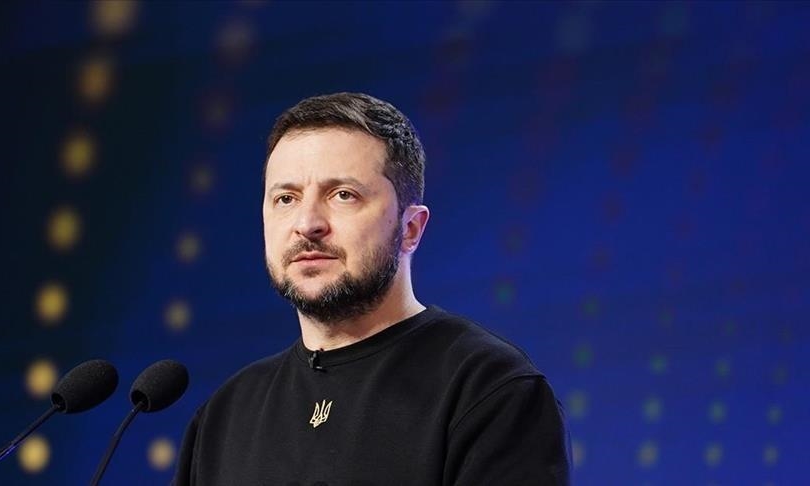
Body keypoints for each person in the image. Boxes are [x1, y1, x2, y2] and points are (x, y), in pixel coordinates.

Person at [173, 92, 571, 485]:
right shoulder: (225, 416)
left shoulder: (487, 389)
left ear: (410, 228)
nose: (307, 224)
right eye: (286, 198)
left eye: (343, 195)